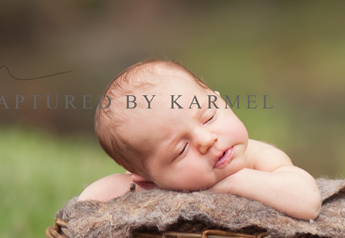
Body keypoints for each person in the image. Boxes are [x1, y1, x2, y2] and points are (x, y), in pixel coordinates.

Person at [77, 59, 321, 220]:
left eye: (209, 117)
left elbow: (308, 202)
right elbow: (83, 209)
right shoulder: (148, 186)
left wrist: (229, 183)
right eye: (181, 150)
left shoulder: (258, 158)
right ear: (148, 179)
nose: (206, 140)